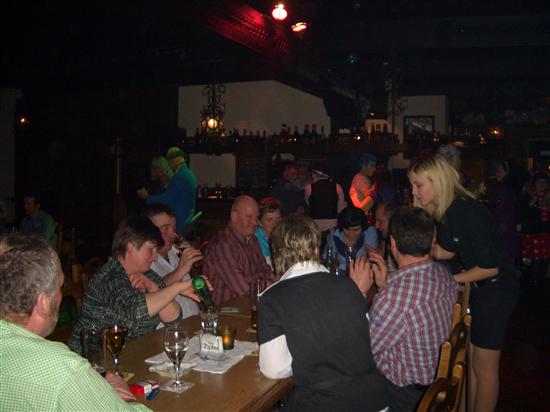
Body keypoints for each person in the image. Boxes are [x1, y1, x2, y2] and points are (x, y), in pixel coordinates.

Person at [408, 154, 519, 412]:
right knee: (470, 365)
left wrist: (448, 280)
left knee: (484, 367)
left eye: (418, 184)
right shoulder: (448, 210)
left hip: (497, 290)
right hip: (481, 288)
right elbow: (449, 250)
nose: (413, 191)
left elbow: (490, 267)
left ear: (437, 181)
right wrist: (414, 243)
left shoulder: (465, 210)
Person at [0, 234, 149, 411]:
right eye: (59, 286)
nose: (61, 295)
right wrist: (122, 397)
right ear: (44, 303)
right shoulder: (63, 370)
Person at [257, 216, 390, 412]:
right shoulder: (350, 285)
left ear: (277, 255)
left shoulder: (272, 298)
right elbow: (364, 340)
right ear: (316, 250)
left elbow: (274, 370)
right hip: (376, 402)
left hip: (324, 404)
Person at [351, 207, 458, 411]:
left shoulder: (394, 299)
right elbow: (411, 306)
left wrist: (358, 293)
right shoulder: (443, 274)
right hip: (435, 385)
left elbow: (359, 349)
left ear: (392, 243)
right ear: (432, 241)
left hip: (405, 396)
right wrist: (384, 285)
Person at [68, 216, 202, 354]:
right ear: (130, 246)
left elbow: (173, 319)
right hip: (93, 359)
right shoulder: (110, 277)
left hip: (132, 355)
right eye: (151, 249)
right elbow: (136, 311)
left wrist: (155, 288)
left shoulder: (148, 275)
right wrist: (177, 287)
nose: (155, 257)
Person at [202, 195, 273, 305]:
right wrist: (262, 280)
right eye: (249, 217)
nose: (255, 222)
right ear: (234, 216)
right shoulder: (222, 244)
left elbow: (267, 271)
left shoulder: (252, 239)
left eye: (256, 217)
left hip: (248, 306)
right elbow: (243, 289)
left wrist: (255, 279)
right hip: (223, 311)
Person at [142, 203, 202, 322]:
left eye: (173, 228)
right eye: (165, 228)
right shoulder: (143, 260)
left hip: (195, 324)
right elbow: (150, 295)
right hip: (168, 330)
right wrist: (180, 271)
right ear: (148, 231)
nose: (173, 234)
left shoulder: (175, 252)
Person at [137, 147, 197, 232]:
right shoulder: (189, 174)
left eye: (159, 167)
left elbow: (167, 200)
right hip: (185, 221)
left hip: (179, 222)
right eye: (155, 168)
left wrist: (147, 197)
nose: (158, 171)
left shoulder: (179, 176)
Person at [323, 206, 378, 271]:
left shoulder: (369, 232)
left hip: (363, 272)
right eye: (347, 229)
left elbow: (371, 260)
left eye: (356, 230)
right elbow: (327, 259)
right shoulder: (335, 235)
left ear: (363, 227)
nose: (351, 234)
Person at [304, 167, 347, 233]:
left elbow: (308, 206)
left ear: (317, 174)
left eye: (313, 173)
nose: (312, 175)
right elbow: (341, 209)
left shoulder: (308, 188)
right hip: (332, 226)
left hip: (315, 226)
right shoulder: (337, 187)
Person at [254, 197, 283, 268]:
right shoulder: (256, 242)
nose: (275, 224)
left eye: (278, 219)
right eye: (270, 220)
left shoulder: (283, 236)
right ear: (259, 222)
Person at [373, 201, 399, 272]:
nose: (376, 226)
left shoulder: (401, 243)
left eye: (380, 221)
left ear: (392, 220)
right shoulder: (387, 240)